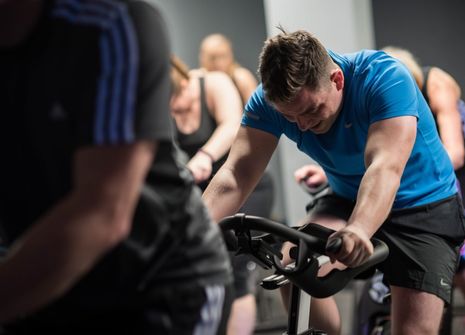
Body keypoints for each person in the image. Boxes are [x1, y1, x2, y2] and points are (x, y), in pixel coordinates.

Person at [202, 28, 465, 335]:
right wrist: (191, 234)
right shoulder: (269, 101)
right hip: (346, 197)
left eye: (311, 110)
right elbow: (236, 174)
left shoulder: (384, 77)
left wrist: (359, 228)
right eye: (290, 117)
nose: (302, 125)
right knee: (294, 259)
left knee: (412, 331)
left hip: (423, 206)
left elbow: (384, 167)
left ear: (337, 80)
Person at [0, 1, 233, 334]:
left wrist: (207, 157)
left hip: (158, 283)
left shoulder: (109, 23)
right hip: (62, 280)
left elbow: (102, 213)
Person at [171, 55, 275, 335]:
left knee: (237, 266)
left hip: (245, 185)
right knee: (198, 261)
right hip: (208, 190)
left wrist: (205, 156)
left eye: (177, 96)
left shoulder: (213, 82)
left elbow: (231, 125)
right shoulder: (165, 102)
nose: (175, 107)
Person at [198, 33, 277, 335]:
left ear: (228, 53)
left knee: (239, 264)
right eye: (208, 54)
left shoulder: (241, 78)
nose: (213, 61)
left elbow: (254, 126)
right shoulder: (203, 82)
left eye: (219, 54)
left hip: (247, 181)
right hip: (217, 183)